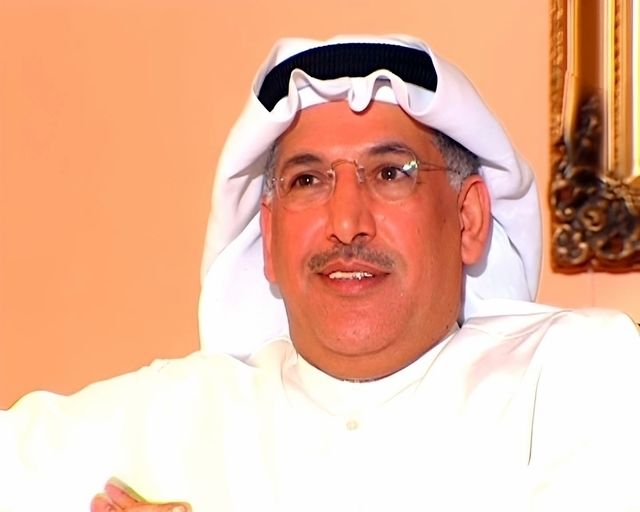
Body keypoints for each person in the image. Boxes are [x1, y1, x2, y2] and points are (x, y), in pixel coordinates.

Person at [1, 34, 639, 512]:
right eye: (308, 181)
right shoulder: (171, 414)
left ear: (468, 218)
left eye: (390, 174)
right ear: (270, 235)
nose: (346, 223)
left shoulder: (578, 370)